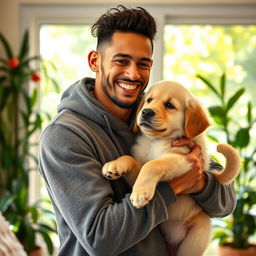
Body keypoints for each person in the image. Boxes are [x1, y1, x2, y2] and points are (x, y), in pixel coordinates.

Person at [39, 5, 236, 256]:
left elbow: (226, 203)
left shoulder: (162, 116)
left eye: (143, 64)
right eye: (121, 61)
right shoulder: (65, 136)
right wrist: (172, 186)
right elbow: (101, 238)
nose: (133, 74)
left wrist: (199, 181)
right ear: (94, 61)